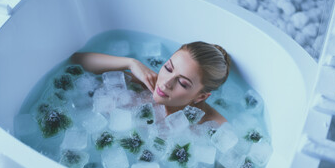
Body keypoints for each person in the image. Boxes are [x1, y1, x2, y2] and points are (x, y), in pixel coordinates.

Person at [71, 41, 231, 125]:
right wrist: (131, 63)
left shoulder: (210, 124)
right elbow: (77, 61)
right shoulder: (144, 84)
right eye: (168, 68)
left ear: (201, 97)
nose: (166, 83)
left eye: (182, 83)